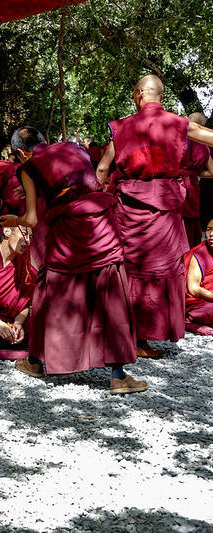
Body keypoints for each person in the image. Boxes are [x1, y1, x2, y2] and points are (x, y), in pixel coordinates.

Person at [7, 126, 146, 394]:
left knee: (53, 290)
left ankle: (35, 361)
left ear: (22, 153)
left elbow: (33, 218)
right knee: (110, 293)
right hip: (101, 222)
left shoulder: (28, 167)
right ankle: (118, 375)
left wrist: (15, 220)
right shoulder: (75, 148)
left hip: (71, 230)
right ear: (44, 141)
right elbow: (81, 183)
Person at [97, 75, 213, 357]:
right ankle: (147, 334)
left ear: (139, 94)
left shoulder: (122, 127)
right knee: (161, 270)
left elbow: (102, 170)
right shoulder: (179, 123)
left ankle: (127, 333)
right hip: (165, 207)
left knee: (131, 268)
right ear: (160, 96)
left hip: (129, 209)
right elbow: (210, 138)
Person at [180, 113, 213, 248]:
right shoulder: (203, 145)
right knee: (190, 227)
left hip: (170, 187)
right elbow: (212, 171)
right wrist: (193, 173)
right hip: (191, 188)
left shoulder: (172, 138)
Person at [185, 218, 213, 334]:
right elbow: (193, 288)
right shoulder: (200, 254)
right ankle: (188, 322)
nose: (211, 235)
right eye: (208, 230)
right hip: (202, 301)